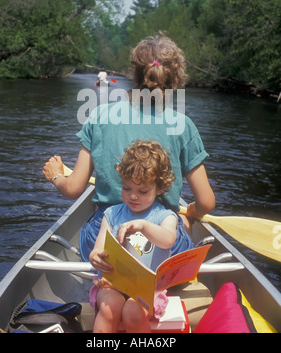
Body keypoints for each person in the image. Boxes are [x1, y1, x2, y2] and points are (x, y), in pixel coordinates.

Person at [43, 32, 215, 261]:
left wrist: (56, 176)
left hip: (107, 236)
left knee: (94, 229)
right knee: (180, 222)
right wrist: (192, 213)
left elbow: (74, 188)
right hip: (158, 242)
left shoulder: (100, 116)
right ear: (175, 81)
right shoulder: (183, 126)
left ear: (134, 74)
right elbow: (206, 202)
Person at [89, 140, 178, 333]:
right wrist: (95, 257)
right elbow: (98, 248)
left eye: (143, 191)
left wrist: (144, 226)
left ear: (160, 188)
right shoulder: (112, 214)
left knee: (132, 311)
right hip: (111, 284)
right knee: (108, 307)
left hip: (147, 290)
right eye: (127, 188)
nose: (133, 196)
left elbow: (168, 239)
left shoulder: (165, 217)